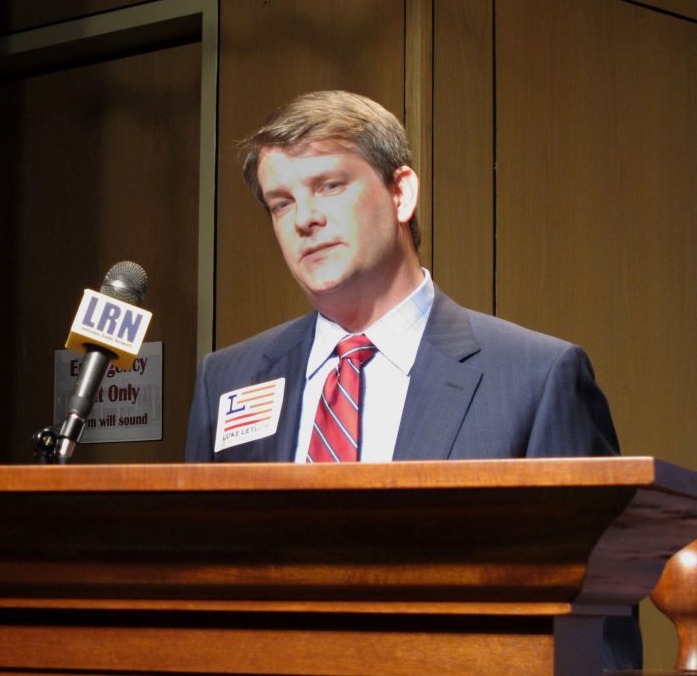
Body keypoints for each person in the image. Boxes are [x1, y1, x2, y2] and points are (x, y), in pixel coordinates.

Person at [184, 90, 640, 669]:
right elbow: (195, 596)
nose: (305, 219)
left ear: (401, 193)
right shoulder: (226, 379)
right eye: (280, 202)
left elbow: (598, 631)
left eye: (329, 186)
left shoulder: (535, 377)